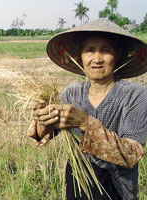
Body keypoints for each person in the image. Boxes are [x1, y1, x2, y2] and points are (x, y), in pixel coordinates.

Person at [27, 19, 147, 200]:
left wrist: (85, 122)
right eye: (90, 50)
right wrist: (43, 118)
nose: (97, 59)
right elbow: (45, 135)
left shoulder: (134, 95)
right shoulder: (72, 93)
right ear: (80, 56)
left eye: (105, 50)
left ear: (118, 54)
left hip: (117, 190)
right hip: (77, 183)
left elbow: (131, 154)